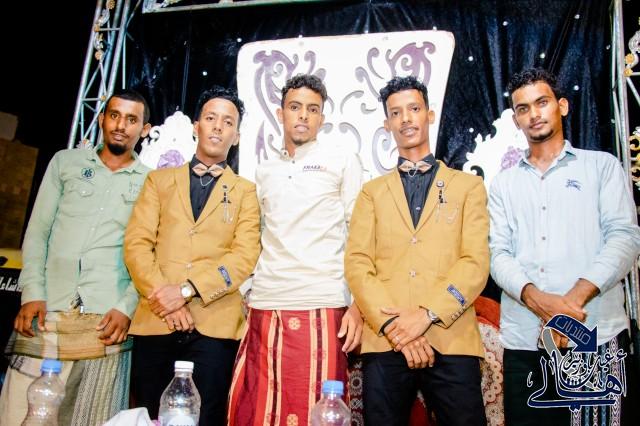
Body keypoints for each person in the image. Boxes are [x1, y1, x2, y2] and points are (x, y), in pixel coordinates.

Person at [489, 68, 640, 425]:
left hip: (594, 337)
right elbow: (498, 254)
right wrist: (539, 302)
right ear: (516, 119)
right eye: (523, 108)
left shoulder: (601, 167)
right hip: (526, 342)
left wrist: (567, 307)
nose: (534, 114)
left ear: (562, 106)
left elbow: (624, 238)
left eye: (541, 102)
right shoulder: (503, 184)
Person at [0, 90, 152, 426]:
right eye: (114, 115)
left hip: (106, 322)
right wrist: (32, 293)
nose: (121, 126)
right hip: (48, 309)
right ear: (102, 119)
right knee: (20, 413)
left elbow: (149, 255)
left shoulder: (151, 181)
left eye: (131, 119)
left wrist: (126, 307)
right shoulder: (65, 163)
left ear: (144, 130)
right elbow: (38, 232)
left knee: (90, 418)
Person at [344, 76, 489, 426]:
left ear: (429, 114)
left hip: (451, 338)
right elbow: (358, 263)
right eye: (396, 113)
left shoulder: (468, 187)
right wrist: (396, 328)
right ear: (387, 124)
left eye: (413, 108)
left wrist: (426, 316)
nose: (406, 118)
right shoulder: (371, 192)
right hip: (386, 340)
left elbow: (475, 263)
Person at [227, 74, 364, 426]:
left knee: (318, 412)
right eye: (295, 107)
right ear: (281, 113)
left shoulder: (341, 159)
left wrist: (358, 305)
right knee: (258, 411)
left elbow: (360, 235)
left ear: (322, 118)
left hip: (322, 301)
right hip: (266, 303)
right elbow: (258, 234)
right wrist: (246, 290)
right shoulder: (264, 169)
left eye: (312, 109)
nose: (303, 115)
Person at [124, 86, 260, 425]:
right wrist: (165, 298)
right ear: (196, 126)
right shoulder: (159, 181)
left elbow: (244, 257)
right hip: (156, 319)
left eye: (227, 122)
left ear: (236, 136)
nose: (218, 127)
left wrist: (186, 291)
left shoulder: (246, 192)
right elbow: (137, 244)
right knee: (149, 415)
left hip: (214, 326)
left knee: (205, 417)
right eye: (211, 118)